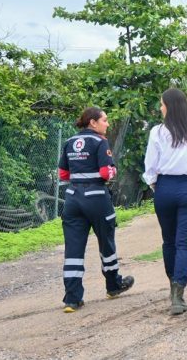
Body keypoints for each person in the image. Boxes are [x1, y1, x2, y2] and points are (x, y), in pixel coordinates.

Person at [58, 107, 134, 313]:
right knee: (106, 242)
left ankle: (72, 299)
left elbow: (63, 174)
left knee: (73, 250)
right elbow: (106, 173)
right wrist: (113, 170)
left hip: (73, 199)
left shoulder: (69, 142)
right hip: (97, 198)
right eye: (104, 120)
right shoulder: (100, 142)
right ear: (93, 122)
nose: (107, 124)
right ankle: (113, 286)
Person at [143, 88, 187, 315]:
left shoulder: (157, 132)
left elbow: (150, 165)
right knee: (184, 243)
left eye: (162, 104)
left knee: (169, 241)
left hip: (165, 187)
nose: (160, 108)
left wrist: (156, 185)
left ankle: (173, 285)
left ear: (169, 107)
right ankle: (178, 295)